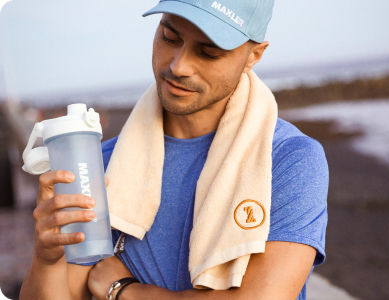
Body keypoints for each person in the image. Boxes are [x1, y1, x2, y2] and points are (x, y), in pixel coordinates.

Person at [20, 0, 328, 299]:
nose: (179, 66)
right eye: (169, 37)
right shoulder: (103, 165)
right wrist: (47, 258)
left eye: (208, 52)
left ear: (254, 56)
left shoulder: (289, 160)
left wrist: (126, 291)